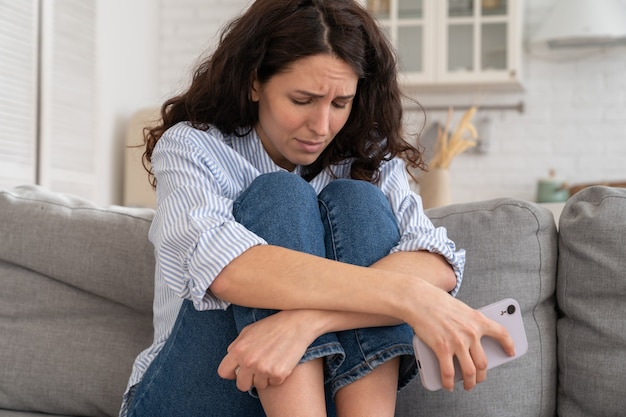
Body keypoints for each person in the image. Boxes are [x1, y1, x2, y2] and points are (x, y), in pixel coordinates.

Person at [121, 1, 515, 416]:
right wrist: (410, 296)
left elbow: (435, 259)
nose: (322, 126)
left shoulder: (369, 156)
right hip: (201, 389)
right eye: (303, 100)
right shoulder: (192, 146)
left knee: (359, 200)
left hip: (327, 395)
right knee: (280, 195)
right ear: (255, 83)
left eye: (340, 103)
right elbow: (229, 269)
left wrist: (305, 322)